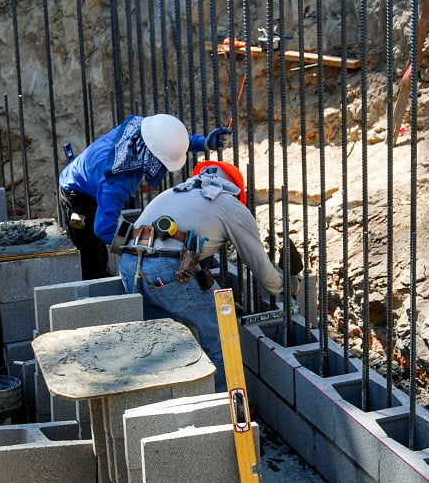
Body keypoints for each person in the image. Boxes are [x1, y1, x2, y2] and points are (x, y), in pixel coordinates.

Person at [116, 160, 299, 391]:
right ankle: (226, 407)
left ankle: (171, 404)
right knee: (222, 329)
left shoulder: (175, 193)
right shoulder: (228, 206)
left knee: (162, 345)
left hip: (128, 266)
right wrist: (287, 285)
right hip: (164, 272)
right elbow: (263, 271)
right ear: (235, 190)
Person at [58, 114, 233, 279]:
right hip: (76, 195)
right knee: (92, 253)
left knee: (104, 234)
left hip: (90, 176)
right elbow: (104, 228)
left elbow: (168, 143)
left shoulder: (143, 131)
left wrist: (203, 144)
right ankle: (96, 295)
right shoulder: (119, 180)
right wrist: (138, 247)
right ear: (153, 158)